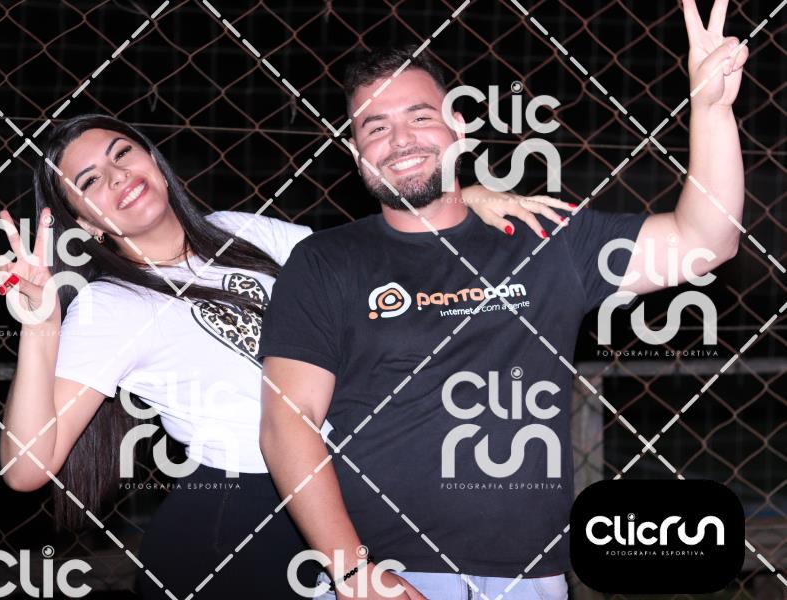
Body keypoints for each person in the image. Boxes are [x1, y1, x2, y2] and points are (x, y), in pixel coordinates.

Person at [257, 1, 747, 598]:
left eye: (420, 117)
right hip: (392, 574)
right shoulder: (325, 261)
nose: (400, 140)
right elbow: (288, 421)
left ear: (460, 128)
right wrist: (353, 570)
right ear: (357, 151)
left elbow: (705, 241)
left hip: (533, 578)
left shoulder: (543, 237)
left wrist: (712, 109)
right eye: (375, 127)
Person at [0, 114, 568, 598]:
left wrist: (460, 199)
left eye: (123, 153)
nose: (118, 175)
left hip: (336, 495)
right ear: (85, 222)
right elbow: (26, 469)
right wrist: (41, 328)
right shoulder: (110, 304)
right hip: (238, 521)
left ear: (154, 161)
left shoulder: (239, 232)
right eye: (91, 180)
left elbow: (375, 259)